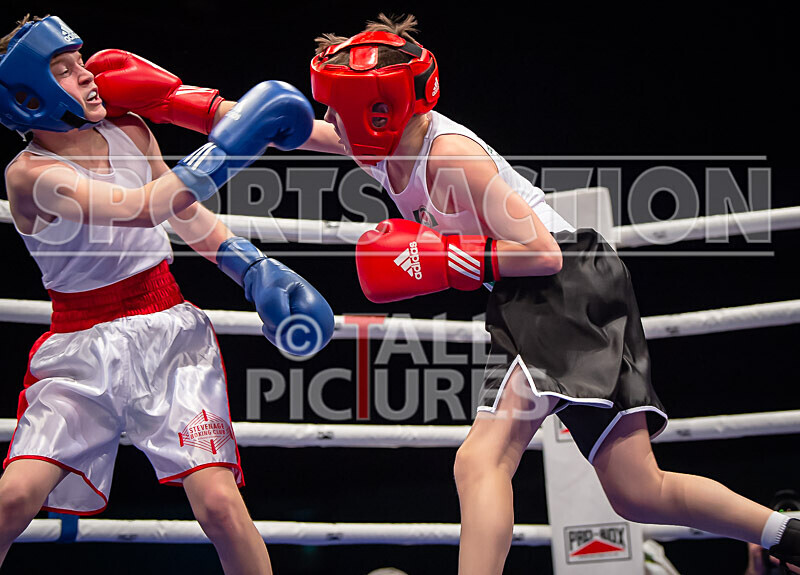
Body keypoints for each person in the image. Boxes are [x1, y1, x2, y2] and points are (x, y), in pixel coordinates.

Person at [302, 13, 800, 575]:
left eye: (336, 110)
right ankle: (789, 534)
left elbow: (543, 252)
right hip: (575, 287)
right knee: (637, 489)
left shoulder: (451, 157)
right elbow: (311, 133)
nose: (328, 121)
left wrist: (451, 260)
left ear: (377, 115)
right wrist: (205, 111)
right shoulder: (391, 145)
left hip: (554, 284)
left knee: (481, 460)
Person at [0, 15, 334, 574]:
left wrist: (251, 268)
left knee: (221, 505)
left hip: (169, 333)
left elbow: (183, 212)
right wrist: (229, 146)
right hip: (80, 352)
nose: (87, 76)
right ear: (29, 99)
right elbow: (139, 209)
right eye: (64, 69)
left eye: (80, 62)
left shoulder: (130, 131)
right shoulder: (30, 174)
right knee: (12, 499)